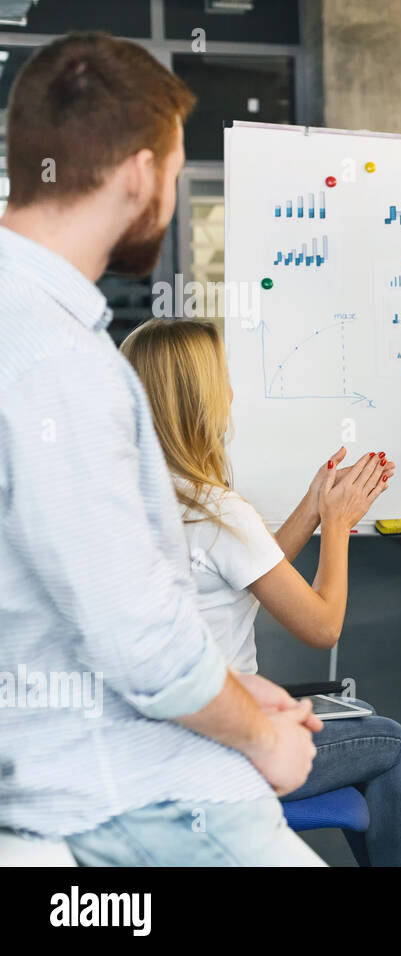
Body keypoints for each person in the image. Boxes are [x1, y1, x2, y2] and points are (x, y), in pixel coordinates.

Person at [0, 32, 322, 865]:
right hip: (128, 795)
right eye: (177, 176)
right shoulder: (62, 363)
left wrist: (227, 684)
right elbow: (139, 641)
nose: (172, 198)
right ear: (141, 174)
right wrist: (260, 735)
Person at [120, 318, 401, 867]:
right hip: (216, 754)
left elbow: (253, 569)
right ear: (198, 399)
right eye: (223, 380)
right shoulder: (215, 511)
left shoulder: (129, 499)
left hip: (141, 746)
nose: (233, 393)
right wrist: (337, 527)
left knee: (354, 719)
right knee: (390, 744)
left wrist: (312, 509)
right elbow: (321, 627)